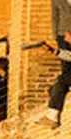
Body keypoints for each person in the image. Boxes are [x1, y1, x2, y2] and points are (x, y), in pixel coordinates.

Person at [39, 0, 71, 128]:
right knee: (64, 77)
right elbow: (55, 16)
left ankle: (52, 116)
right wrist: (53, 48)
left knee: (62, 80)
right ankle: (52, 114)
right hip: (64, 37)